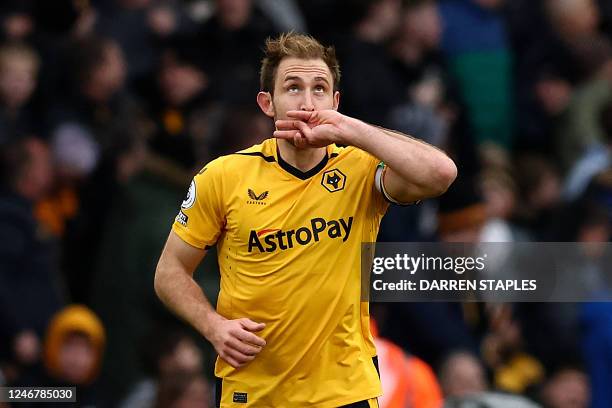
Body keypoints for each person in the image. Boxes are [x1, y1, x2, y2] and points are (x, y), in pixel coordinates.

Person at [154, 32, 456, 407]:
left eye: (319, 89)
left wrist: (351, 129)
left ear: (335, 102)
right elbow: (169, 273)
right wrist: (213, 326)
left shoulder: (360, 170)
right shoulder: (223, 177)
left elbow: (441, 174)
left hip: (345, 391)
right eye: (293, 88)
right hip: (254, 392)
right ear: (268, 103)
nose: (307, 102)